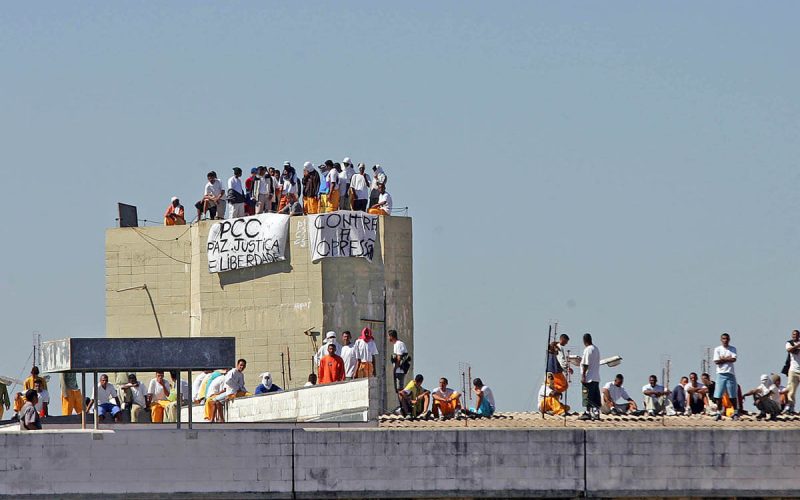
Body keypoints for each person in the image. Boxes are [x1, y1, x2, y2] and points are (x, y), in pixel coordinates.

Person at [713, 332, 739, 420]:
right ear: (721, 340)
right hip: (720, 374)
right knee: (718, 395)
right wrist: (727, 359)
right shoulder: (717, 349)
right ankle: (718, 413)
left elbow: (733, 359)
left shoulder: (732, 349)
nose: (725, 341)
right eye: (723, 339)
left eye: (727, 339)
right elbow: (716, 361)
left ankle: (735, 412)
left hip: (730, 373)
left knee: (732, 395)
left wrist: (723, 359)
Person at [213, 359, 249, 423]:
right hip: (230, 392)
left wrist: (243, 390)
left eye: (243, 366)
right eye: (241, 365)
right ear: (237, 365)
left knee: (217, 401)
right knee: (216, 400)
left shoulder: (241, 375)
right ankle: (217, 419)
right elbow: (228, 381)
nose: (242, 367)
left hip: (236, 392)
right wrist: (237, 388)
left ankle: (219, 419)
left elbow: (242, 385)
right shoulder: (232, 372)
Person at [579, 333, 601, 421]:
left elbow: (585, 364)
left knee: (587, 396)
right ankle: (596, 413)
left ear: (584, 341)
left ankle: (588, 413)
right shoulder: (596, 349)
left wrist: (583, 376)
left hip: (589, 378)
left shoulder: (588, 350)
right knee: (595, 397)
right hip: (596, 377)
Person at [784, 330, 800, 413]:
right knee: (791, 390)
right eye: (793, 334)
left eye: (796, 335)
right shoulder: (789, 343)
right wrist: (798, 346)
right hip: (793, 370)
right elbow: (789, 349)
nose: (794, 336)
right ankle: (791, 408)